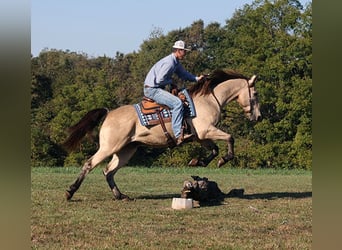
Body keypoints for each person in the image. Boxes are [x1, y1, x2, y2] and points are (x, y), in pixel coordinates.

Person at [144, 40, 204, 145]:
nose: (185, 53)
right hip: (152, 89)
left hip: (156, 88)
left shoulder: (175, 62)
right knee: (177, 103)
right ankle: (178, 134)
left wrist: (197, 79)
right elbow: (159, 80)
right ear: (178, 50)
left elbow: (184, 74)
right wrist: (172, 82)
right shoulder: (170, 63)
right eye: (184, 51)